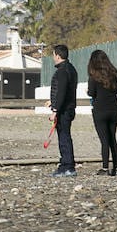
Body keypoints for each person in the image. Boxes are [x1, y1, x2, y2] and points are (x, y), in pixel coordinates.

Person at [87, 49, 117, 176]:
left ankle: (104, 167)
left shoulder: (93, 76)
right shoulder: (113, 74)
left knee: (104, 140)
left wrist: (88, 91)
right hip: (114, 108)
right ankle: (116, 167)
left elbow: (92, 93)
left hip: (100, 110)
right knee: (113, 138)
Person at [49, 43, 78, 177]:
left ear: (58, 55)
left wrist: (55, 110)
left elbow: (61, 92)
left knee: (64, 137)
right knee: (65, 136)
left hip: (64, 110)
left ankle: (67, 166)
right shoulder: (71, 69)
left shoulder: (62, 72)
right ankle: (67, 163)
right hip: (69, 107)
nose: (53, 57)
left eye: (53, 55)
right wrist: (52, 102)